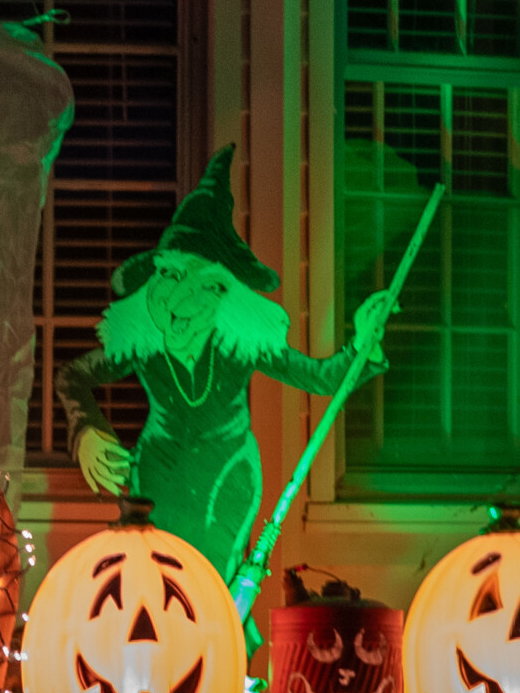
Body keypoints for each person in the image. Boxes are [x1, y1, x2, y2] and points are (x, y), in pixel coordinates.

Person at [58, 146, 391, 577]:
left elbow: (323, 379)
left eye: (207, 286)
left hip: (228, 472)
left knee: (218, 582)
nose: (182, 299)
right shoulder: (144, 344)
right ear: (153, 276)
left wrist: (365, 342)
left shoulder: (238, 347)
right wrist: (86, 429)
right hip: (158, 473)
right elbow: (72, 376)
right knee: (155, 575)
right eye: (172, 274)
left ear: (227, 297)